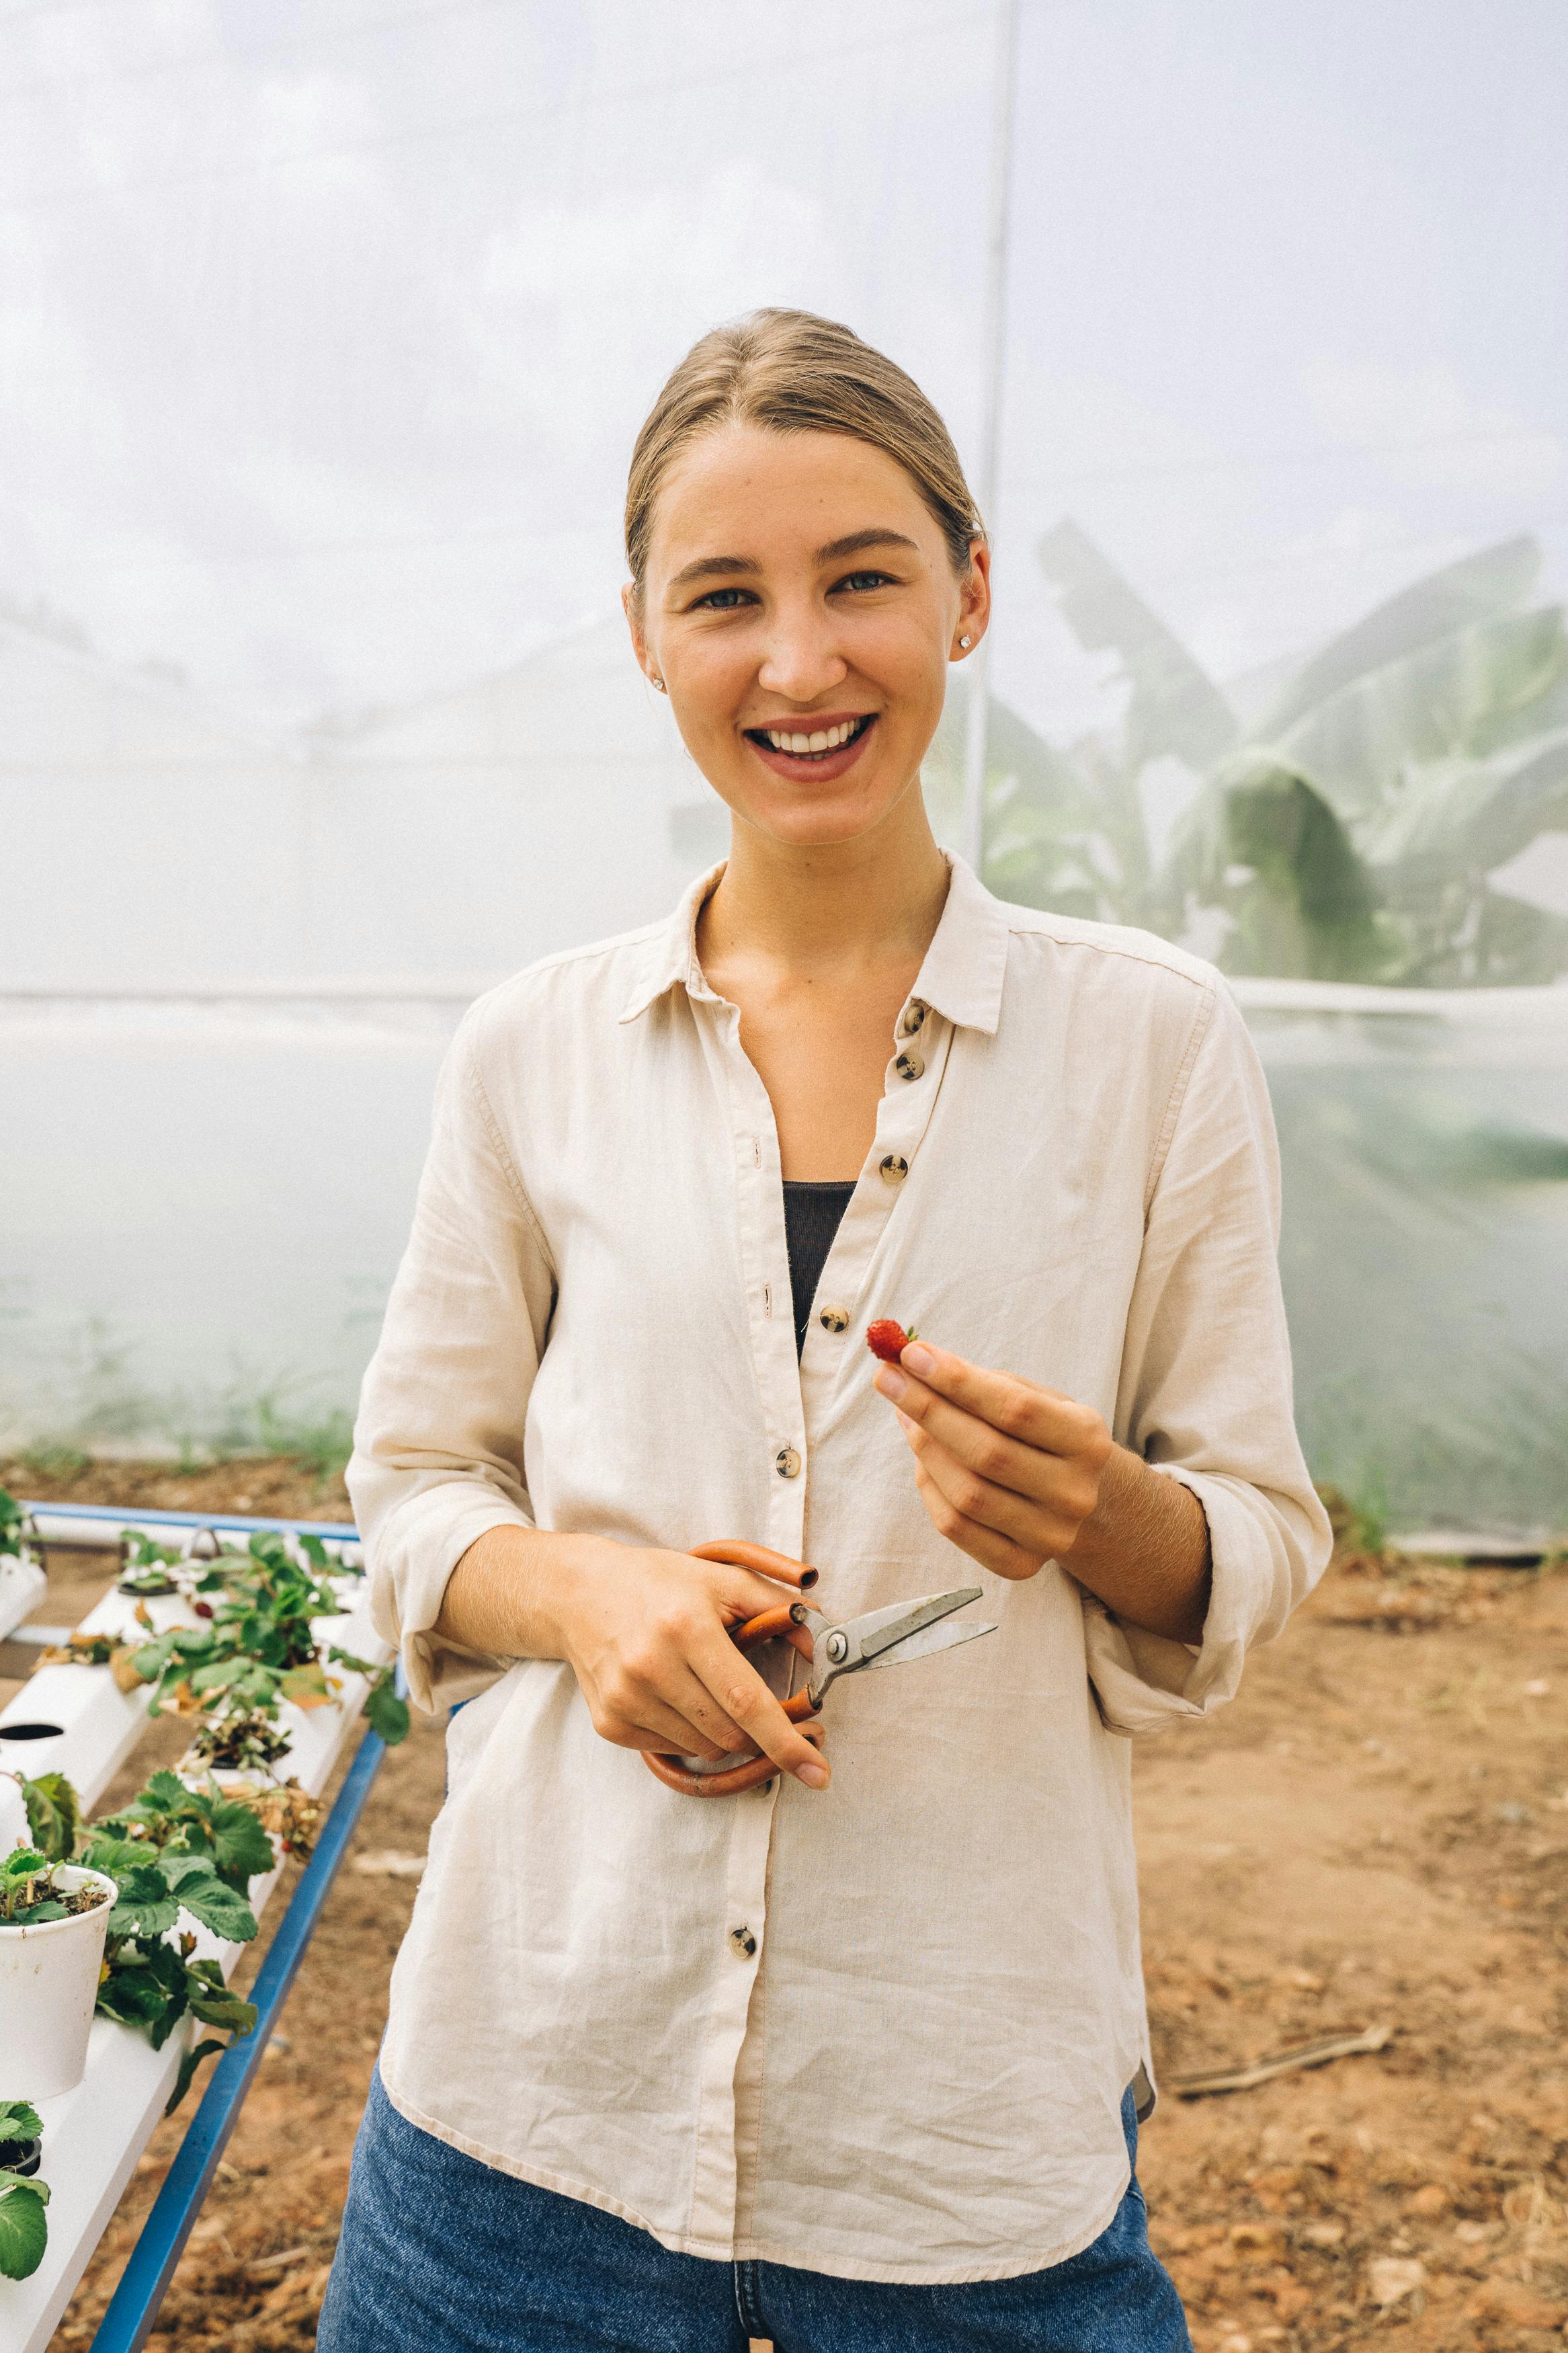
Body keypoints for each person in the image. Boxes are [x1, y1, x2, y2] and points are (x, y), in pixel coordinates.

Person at [317, 307, 1329, 2353]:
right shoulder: (536, 1051)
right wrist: (589, 1594)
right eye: (725, 599)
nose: (799, 663)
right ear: (643, 638)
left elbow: (1258, 1538)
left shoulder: (1152, 1045)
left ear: (967, 594)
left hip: (960, 2128)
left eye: (863, 576)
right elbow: (418, 1488)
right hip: (535, 2104)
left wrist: (1111, 1510)